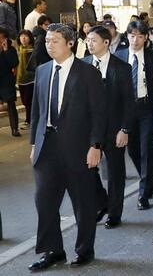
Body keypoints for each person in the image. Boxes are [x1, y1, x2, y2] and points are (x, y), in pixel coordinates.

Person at [28, 23, 106, 270]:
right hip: (47, 146)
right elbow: (37, 111)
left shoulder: (87, 73)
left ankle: (84, 249)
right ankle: (53, 250)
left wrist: (95, 145)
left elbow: (98, 113)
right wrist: (33, 143)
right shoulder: (42, 71)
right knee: (45, 200)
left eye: (55, 41)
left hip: (78, 146)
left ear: (70, 43)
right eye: (47, 41)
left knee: (82, 202)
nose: (49, 45)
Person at [83, 25, 134, 229]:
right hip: (89, 130)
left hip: (114, 129)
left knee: (115, 173)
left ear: (106, 42)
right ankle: (101, 202)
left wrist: (125, 129)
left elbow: (129, 102)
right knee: (87, 168)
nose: (89, 44)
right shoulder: (83, 64)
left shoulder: (121, 68)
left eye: (94, 40)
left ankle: (114, 213)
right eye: (87, 40)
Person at [118, 20, 153, 210]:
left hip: (147, 109)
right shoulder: (118, 57)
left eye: (139, 36)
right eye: (132, 35)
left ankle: (143, 193)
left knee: (147, 150)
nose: (135, 40)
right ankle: (150, 181)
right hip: (127, 110)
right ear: (127, 37)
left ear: (145, 38)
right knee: (133, 150)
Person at [1, 27, 20, 136]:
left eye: (2, 37)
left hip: (7, 81)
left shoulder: (10, 49)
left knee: (11, 104)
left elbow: (14, 63)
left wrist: (6, 51)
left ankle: (14, 128)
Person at [16, 29, 36, 127]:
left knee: (28, 100)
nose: (23, 38)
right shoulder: (18, 50)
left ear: (30, 38)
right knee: (24, 101)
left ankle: (29, 120)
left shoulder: (33, 50)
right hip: (21, 79)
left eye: (26, 36)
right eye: (21, 36)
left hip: (31, 79)